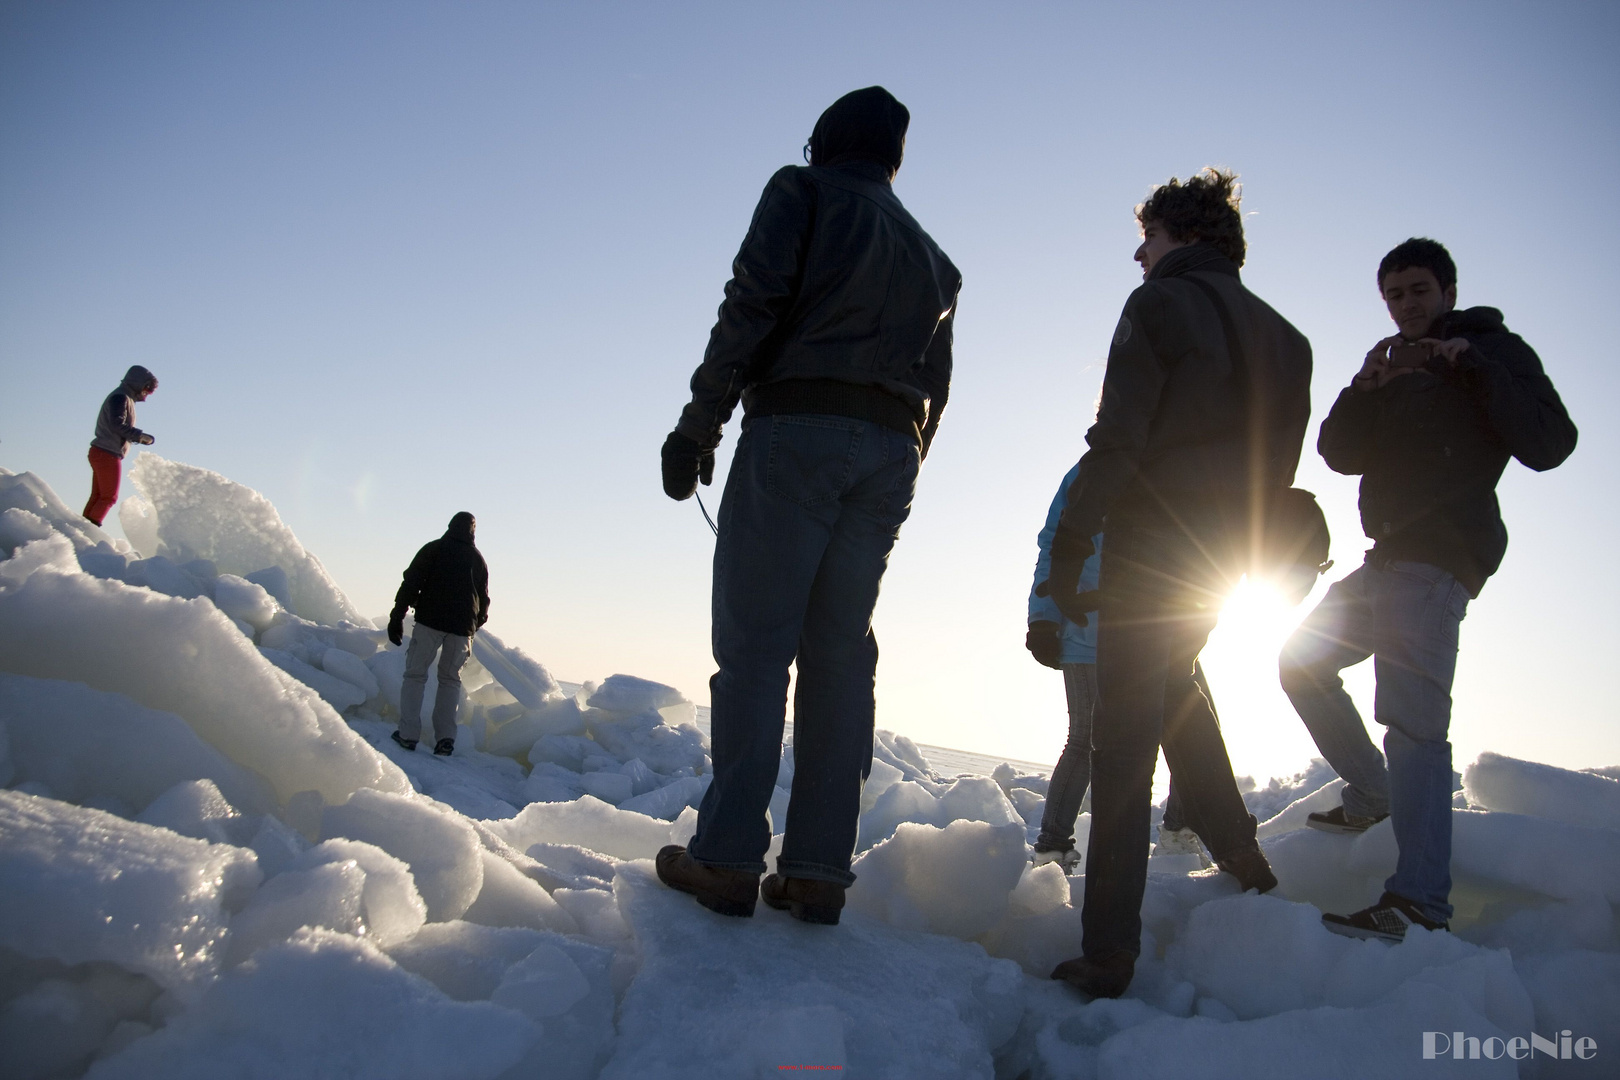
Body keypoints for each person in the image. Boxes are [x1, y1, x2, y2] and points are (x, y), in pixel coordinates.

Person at [655, 86, 960, 926]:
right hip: (892, 448)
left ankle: (724, 859)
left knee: (756, 646)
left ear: (827, 143)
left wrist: (698, 424)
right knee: (838, 653)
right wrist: (895, 464)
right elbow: (938, 388)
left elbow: (750, 302)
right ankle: (819, 870)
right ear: (892, 159)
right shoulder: (936, 259)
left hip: (798, 424)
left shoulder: (802, 191)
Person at [1045, 169, 1312, 999]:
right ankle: (1245, 860)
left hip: (1152, 548)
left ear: (1188, 235)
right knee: (1179, 694)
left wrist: (1070, 547)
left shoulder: (1157, 305)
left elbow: (1118, 438)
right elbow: (1280, 464)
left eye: (1150, 236)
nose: (1139, 251)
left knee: (1122, 744)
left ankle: (1108, 951)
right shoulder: (1290, 338)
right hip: (1229, 557)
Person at [1279, 238, 1576, 942]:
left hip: (1439, 561)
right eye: (1393, 295)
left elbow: (1551, 443)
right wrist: (1364, 386)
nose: (1406, 305)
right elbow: (1339, 454)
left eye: (1417, 290)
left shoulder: (1494, 350)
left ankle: (1419, 903)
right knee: (1300, 663)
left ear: (1446, 290)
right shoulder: (1393, 363)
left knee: (1412, 724)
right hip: (1382, 561)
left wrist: (1471, 368)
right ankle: (1375, 793)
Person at [1026, 465, 1211, 871]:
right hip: (1088, 623)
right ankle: (1052, 849)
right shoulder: (1091, 472)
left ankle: (1179, 832)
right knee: (1085, 739)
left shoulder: (1177, 467)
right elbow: (1053, 541)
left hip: (1164, 630)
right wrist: (1043, 616)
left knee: (1191, 726)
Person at [387, 512, 490, 757]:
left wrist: (397, 617)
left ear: (450, 526)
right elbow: (484, 601)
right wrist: (472, 627)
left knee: (415, 674)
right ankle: (445, 739)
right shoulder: (478, 560)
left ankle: (408, 734)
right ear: (472, 532)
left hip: (429, 621)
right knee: (450, 680)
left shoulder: (433, 549)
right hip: (461, 630)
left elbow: (411, 582)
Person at [84, 365, 158, 526]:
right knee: (109, 497)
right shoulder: (121, 398)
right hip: (107, 453)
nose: (147, 394)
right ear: (138, 384)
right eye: (147, 389)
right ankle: (89, 530)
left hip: (101, 451)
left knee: (98, 496)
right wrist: (139, 436)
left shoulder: (123, 397)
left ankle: (82, 529)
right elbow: (116, 424)